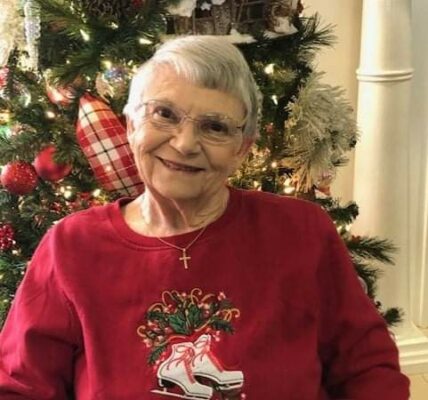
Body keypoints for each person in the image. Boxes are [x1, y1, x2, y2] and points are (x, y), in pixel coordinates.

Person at [0, 36, 409, 400]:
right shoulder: (73, 246)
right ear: (131, 125)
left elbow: (367, 368)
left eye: (215, 127)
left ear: (242, 148)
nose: (184, 143)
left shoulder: (301, 231)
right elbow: (20, 386)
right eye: (164, 114)